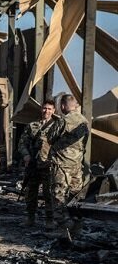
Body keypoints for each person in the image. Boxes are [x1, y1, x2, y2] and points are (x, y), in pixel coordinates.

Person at [41, 94, 89, 238]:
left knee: (58, 195)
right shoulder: (84, 121)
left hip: (62, 165)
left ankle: (63, 228)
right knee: (76, 196)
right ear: (75, 106)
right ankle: (77, 227)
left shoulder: (63, 121)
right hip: (77, 165)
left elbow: (50, 138)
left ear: (62, 106)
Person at [17, 99, 56, 229]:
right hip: (33, 164)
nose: (47, 111)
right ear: (41, 109)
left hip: (47, 165)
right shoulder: (32, 126)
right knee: (30, 192)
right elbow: (22, 143)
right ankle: (30, 218)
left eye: (49, 109)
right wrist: (26, 155)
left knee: (48, 193)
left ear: (54, 111)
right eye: (45, 108)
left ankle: (49, 220)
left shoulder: (57, 126)